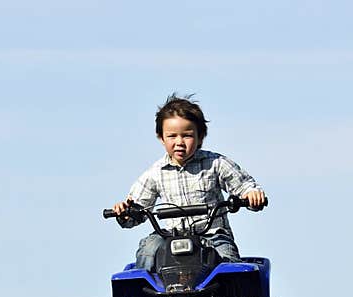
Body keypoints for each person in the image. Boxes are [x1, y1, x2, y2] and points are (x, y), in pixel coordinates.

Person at [111, 93, 267, 271]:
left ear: (200, 137)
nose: (179, 142)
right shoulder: (155, 173)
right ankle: (141, 295)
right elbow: (136, 208)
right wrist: (125, 212)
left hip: (212, 235)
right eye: (172, 136)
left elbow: (244, 185)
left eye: (187, 135)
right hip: (170, 237)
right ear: (161, 138)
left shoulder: (215, 163)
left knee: (229, 264)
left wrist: (251, 195)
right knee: (148, 247)